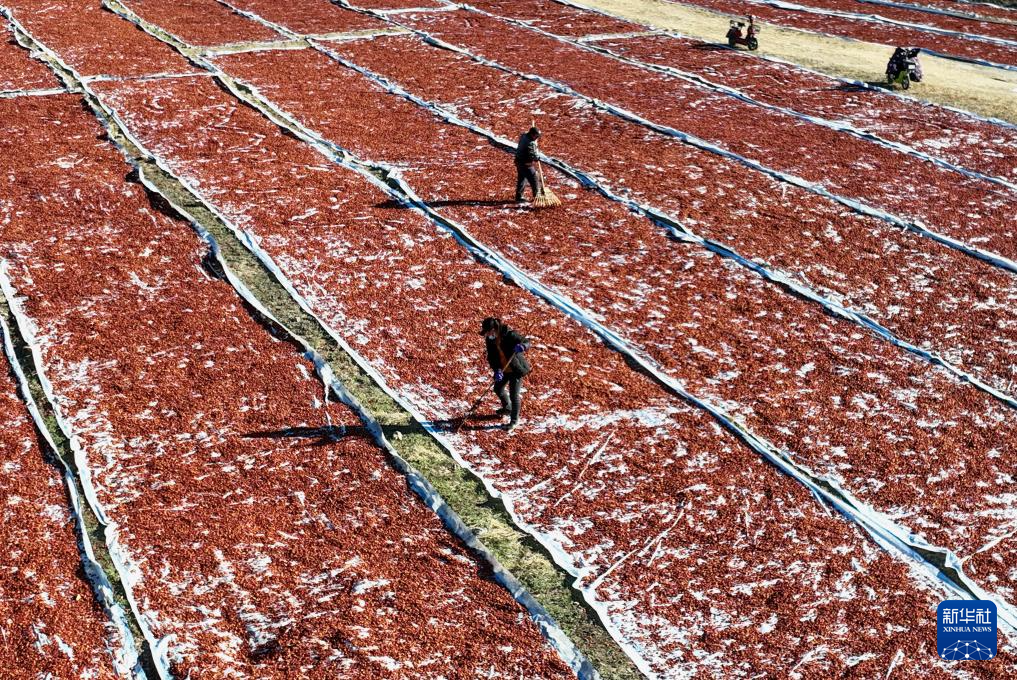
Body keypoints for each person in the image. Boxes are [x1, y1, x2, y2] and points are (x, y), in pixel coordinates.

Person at [480, 317, 531, 431]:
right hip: (503, 370)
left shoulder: (510, 335)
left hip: (516, 369)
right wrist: (497, 370)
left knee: (514, 394)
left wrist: (523, 346)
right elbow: (492, 357)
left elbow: (527, 342)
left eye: (488, 332)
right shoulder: (490, 340)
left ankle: (513, 421)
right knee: (498, 389)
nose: (487, 335)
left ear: (494, 329)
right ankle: (507, 408)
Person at [514, 126, 542, 203]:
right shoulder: (530, 143)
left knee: (522, 179)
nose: (537, 138)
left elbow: (526, 135)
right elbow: (533, 156)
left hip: (518, 161)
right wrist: (537, 157)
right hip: (525, 164)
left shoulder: (524, 136)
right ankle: (537, 197)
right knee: (534, 177)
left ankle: (519, 197)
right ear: (532, 134)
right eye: (536, 136)